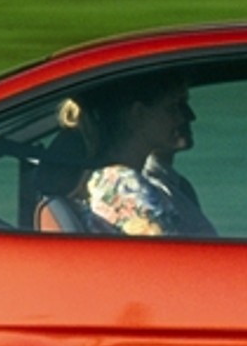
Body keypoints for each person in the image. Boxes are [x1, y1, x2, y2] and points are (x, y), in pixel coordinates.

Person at [58, 72, 216, 238]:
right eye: (172, 108)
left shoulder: (121, 181)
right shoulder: (122, 185)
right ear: (139, 114)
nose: (187, 116)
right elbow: (174, 259)